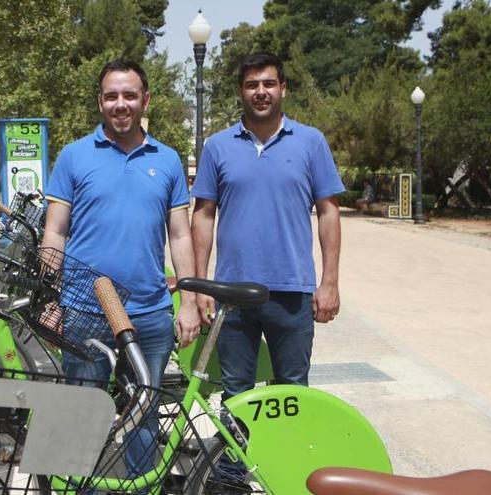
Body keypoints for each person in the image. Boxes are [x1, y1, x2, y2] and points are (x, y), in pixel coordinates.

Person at [42, 59, 199, 481]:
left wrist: (190, 302)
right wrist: (48, 295)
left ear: (145, 100)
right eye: (111, 96)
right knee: (82, 411)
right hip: (84, 311)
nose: (120, 104)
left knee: (144, 415)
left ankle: (140, 488)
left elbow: (181, 236)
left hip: (149, 312)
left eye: (129, 95)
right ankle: (82, 489)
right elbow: (54, 233)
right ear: (100, 102)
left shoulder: (166, 160)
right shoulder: (74, 156)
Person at [191, 52, 344, 484]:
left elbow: (329, 213)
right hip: (232, 297)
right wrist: (202, 286)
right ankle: (232, 481)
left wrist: (329, 281)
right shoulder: (218, 146)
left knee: (293, 394)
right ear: (241, 91)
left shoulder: (311, 142)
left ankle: (292, 474)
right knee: (235, 396)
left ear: (283, 89)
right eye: (252, 84)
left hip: (292, 293)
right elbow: (203, 215)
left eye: (269, 84)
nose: (261, 91)